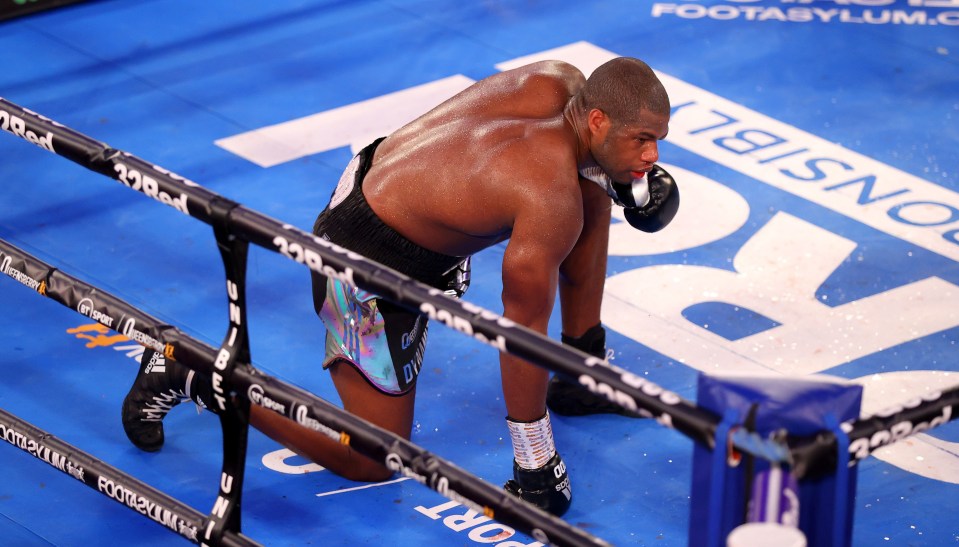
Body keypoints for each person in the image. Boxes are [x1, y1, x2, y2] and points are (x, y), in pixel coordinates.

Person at [121, 56, 678, 517]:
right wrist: (534, 461)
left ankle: (583, 366)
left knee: (593, 193)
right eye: (643, 140)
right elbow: (519, 331)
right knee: (373, 457)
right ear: (599, 120)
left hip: (379, 178)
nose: (653, 157)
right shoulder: (548, 197)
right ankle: (193, 373)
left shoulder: (557, 82)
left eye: (658, 140)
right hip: (362, 261)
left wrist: (611, 174)